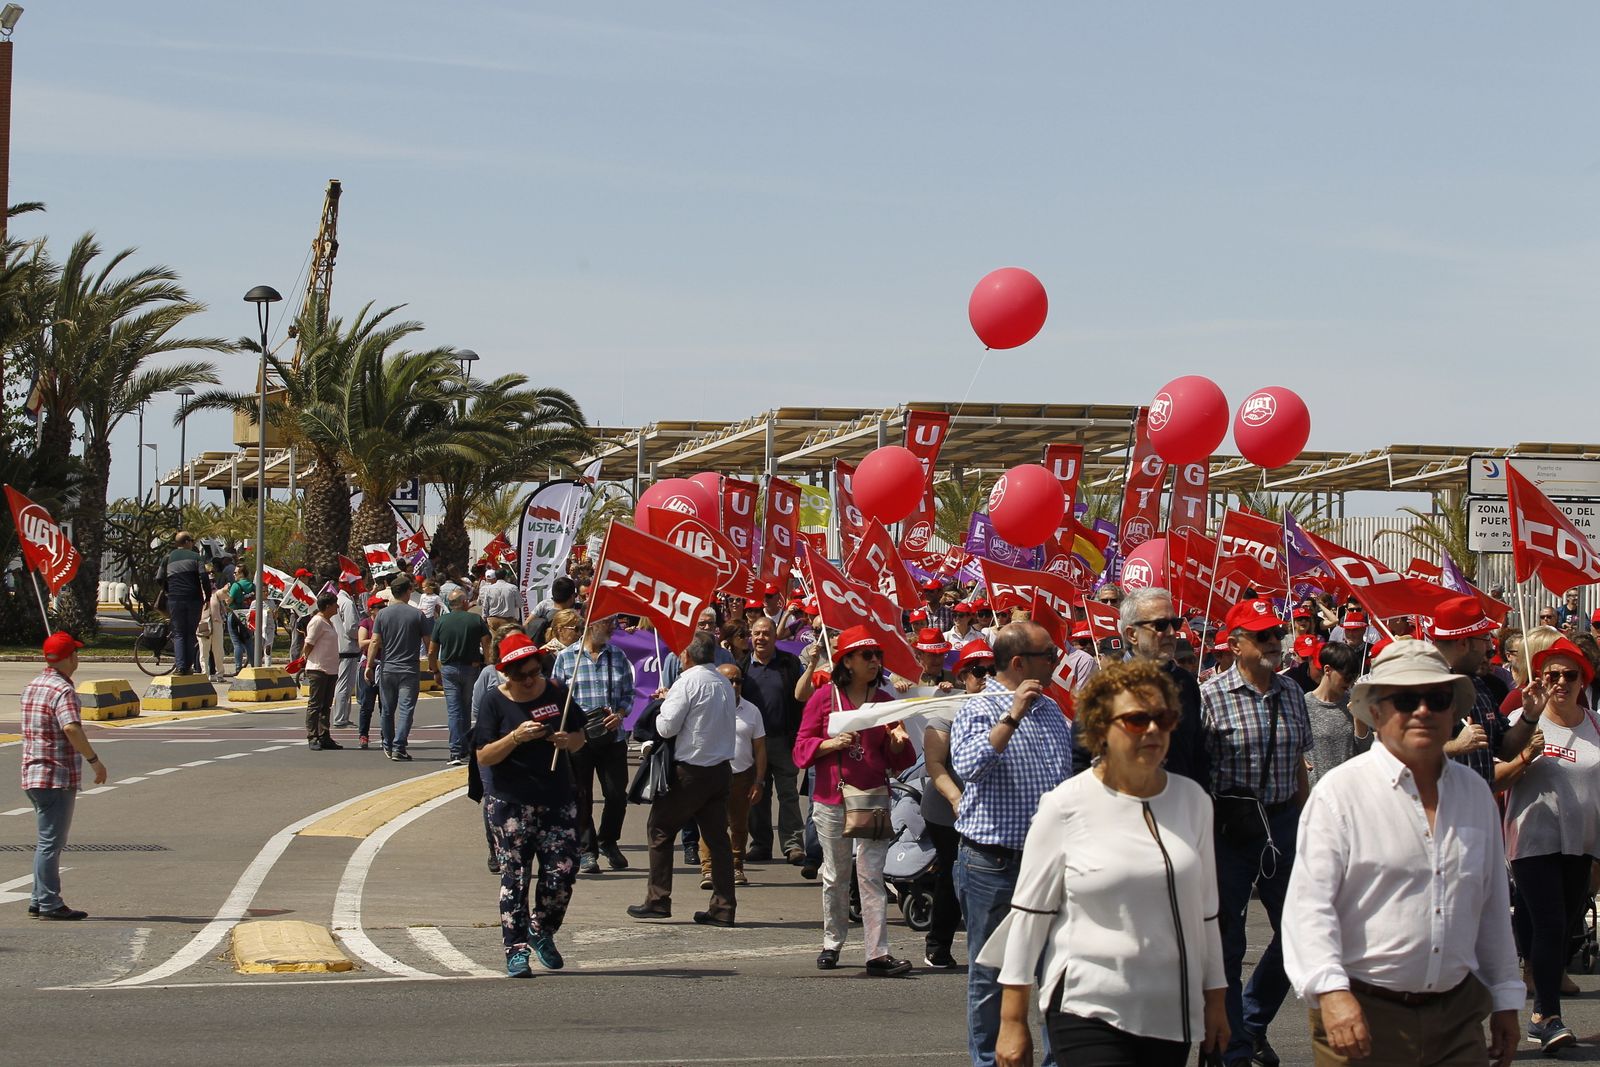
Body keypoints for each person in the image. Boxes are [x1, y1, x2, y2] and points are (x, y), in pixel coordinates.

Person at [1283, 641, 1522, 1066]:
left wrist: (1505, 997)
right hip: (1362, 1016)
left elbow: (1490, 907)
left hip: (1458, 1016)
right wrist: (1331, 992)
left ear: (1453, 711)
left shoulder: (1474, 796)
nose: (1423, 711)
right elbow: (1309, 909)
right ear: (1375, 711)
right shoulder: (1340, 794)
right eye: (1406, 699)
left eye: (1438, 698)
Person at [988, 660, 1227, 1067]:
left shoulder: (1194, 801)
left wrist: (1216, 1000)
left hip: (1170, 1013)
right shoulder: (1064, 805)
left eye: (1163, 718)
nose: (1153, 730)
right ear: (1101, 729)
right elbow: (1030, 915)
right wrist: (1012, 1020)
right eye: (1136, 720)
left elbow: (1206, 914)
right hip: (1087, 1005)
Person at [951, 622, 1077, 1067]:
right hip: (993, 864)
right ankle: (990, 1061)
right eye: (1049, 654)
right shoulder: (979, 707)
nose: (1058, 659)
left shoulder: (1052, 709)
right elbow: (969, 767)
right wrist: (1013, 715)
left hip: (1049, 865)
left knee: (1057, 971)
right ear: (1020, 663)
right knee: (990, 976)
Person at [1201, 598, 1313, 1067]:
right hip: (1230, 829)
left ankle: (1251, 1018)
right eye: (1262, 635)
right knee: (1228, 942)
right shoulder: (1209, 696)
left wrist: (1308, 824)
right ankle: (1231, 1049)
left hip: (1284, 822)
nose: (1273, 642)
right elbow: (1198, 774)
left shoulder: (1291, 692)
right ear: (1235, 644)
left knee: (1302, 932)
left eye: (1276, 633)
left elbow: (1301, 765)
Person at [1494, 635, 1599, 1053]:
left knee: (1559, 926)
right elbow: (1493, 777)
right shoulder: (1523, 719)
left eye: (1569, 675)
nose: (1560, 682)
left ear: (1582, 680)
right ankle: (1545, 1016)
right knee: (1552, 922)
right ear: (1539, 679)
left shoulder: (1595, 726)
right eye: (1551, 674)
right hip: (1533, 837)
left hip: (1583, 841)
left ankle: (1538, 990)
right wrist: (1524, 758)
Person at [793, 625, 917, 975]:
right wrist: (829, 744)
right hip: (832, 798)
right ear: (846, 661)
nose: (875, 661)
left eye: (878, 655)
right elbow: (800, 749)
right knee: (835, 874)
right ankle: (832, 942)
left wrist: (897, 742)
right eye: (867, 655)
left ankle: (877, 953)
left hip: (874, 798)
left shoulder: (886, 702)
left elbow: (902, 759)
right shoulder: (824, 698)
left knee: (872, 875)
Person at [473, 632, 586, 977]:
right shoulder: (495, 701)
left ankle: (542, 930)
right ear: (506, 673)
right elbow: (483, 755)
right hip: (510, 802)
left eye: (534, 672)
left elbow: (581, 738)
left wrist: (568, 741)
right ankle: (515, 949)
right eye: (521, 675)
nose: (529, 680)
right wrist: (515, 737)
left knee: (562, 872)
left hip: (556, 798)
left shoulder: (556, 692)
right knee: (516, 877)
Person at [628, 633, 740, 927]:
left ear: (686, 656)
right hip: (719, 770)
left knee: (660, 830)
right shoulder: (723, 683)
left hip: (692, 770)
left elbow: (666, 727)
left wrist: (663, 705)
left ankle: (658, 899)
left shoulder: (687, 682)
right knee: (717, 840)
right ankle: (723, 907)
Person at [1077, 586, 1208, 788]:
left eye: (1175, 623)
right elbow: (1081, 760)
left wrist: (1200, 804)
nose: (1172, 632)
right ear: (1132, 635)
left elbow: (1196, 754)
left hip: (1178, 808)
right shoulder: (1105, 687)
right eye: (1161, 625)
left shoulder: (1186, 682)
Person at [20, 632, 106, 920]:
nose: (77, 658)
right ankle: (49, 903)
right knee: (51, 843)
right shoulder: (63, 691)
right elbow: (71, 728)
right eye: (76, 654)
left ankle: (37, 898)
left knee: (46, 839)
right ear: (69, 658)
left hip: (33, 772)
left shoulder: (33, 686)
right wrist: (94, 761)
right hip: (55, 775)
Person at [922, 638, 995, 969]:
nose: (986, 677)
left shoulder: (1006, 708)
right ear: (964, 675)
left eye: (993, 670)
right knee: (953, 875)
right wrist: (956, 797)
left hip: (991, 809)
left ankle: (992, 947)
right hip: (947, 810)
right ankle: (938, 943)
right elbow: (935, 764)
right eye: (979, 671)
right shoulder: (945, 710)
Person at [553, 615, 635, 874]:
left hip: (612, 737)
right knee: (581, 796)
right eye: (608, 622)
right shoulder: (567, 658)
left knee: (616, 795)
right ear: (592, 624)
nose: (613, 628)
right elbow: (556, 698)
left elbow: (629, 693)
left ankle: (609, 841)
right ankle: (587, 851)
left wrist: (620, 714)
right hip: (580, 738)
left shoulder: (618, 656)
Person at [741, 616, 806, 864]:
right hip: (752, 743)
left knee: (788, 793)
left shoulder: (790, 664)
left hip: (783, 740)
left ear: (775, 636)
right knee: (757, 794)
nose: (761, 638)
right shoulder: (743, 666)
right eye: (757, 633)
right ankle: (760, 845)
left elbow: (802, 695)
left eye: (766, 633)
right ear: (751, 636)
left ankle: (792, 846)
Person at [1424, 594, 1507, 789]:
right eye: (1484, 638)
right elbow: (1403, 752)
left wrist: (1530, 716)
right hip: (1440, 813)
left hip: (1480, 810)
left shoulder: (1481, 686)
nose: (1489, 647)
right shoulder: (1423, 688)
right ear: (1463, 643)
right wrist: (1457, 746)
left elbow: (1504, 749)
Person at [698, 662, 765, 889]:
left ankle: (737, 866)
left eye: (738, 681)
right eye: (729, 681)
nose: (734, 685)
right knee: (711, 824)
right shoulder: (706, 707)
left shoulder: (752, 711)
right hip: (712, 774)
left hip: (742, 777)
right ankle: (708, 870)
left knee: (739, 825)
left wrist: (758, 780)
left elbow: (760, 749)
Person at [367, 575, 429, 761]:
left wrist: (369, 665)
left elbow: (375, 641)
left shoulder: (382, 614)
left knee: (387, 709)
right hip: (409, 668)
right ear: (408, 591)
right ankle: (399, 746)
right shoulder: (417, 614)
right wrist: (433, 664)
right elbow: (428, 642)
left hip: (388, 668)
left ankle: (388, 743)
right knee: (406, 709)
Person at [428, 588, 491, 766]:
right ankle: (463, 748)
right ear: (464, 602)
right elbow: (487, 643)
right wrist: (487, 664)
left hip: (448, 669)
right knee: (465, 707)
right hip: (471, 668)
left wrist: (434, 670)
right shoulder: (475, 620)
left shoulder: (441, 621)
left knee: (455, 710)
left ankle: (456, 750)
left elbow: (432, 650)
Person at [1303, 641, 1367, 786]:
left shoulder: (1353, 702)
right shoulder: (1303, 704)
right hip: (1316, 794)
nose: (1350, 683)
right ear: (1327, 670)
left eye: (1354, 678)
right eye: (1347, 677)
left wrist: (1359, 719)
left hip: (1350, 791)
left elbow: (1366, 751)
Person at [156, 530, 212, 676]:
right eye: (192, 540)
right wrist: (207, 596)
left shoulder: (167, 557)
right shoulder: (196, 557)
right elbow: (204, 577)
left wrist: (169, 590)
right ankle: (188, 666)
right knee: (190, 633)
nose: (193, 543)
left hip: (175, 599)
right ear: (187, 542)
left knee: (179, 633)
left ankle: (181, 667)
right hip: (194, 599)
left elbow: (159, 578)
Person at [301, 592, 344, 751]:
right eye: (335, 604)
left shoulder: (328, 622)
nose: (337, 607)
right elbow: (309, 643)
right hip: (318, 669)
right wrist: (305, 658)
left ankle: (324, 735)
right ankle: (312, 736)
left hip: (330, 669)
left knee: (326, 705)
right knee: (315, 704)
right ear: (327, 606)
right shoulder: (317, 621)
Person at [330, 576, 362, 728]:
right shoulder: (347, 603)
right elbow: (351, 628)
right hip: (348, 647)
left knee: (343, 684)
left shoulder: (338, 600)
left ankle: (342, 717)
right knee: (345, 685)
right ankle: (340, 718)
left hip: (340, 646)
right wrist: (362, 636)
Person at [356, 596, 384, 749]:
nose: (382, 609)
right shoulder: (366, 623)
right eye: (379, 607)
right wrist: (376, 640)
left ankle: (385, 735)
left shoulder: (386, 622)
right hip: (369, 667)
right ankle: (363, 735)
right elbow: (361, 643)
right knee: (367, 704)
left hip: (384, 666)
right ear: (371, 609)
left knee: (385, 705)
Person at [226, 566, 256, 672]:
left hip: (235, 614)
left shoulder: (236, 585)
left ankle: (238, 667)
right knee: (248, 641)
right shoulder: (253, 586)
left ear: (242, 574)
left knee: (236, 642)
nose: (234, 574)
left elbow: (229, 601)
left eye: (235, 572)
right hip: (248, 615)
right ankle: (254, 665)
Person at [201, 582, 230, 683]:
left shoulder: (215, 593)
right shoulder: (198, 592)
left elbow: (222, 594)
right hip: (202, 623)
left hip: (216, 623)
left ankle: (220, 674)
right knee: (204, 650)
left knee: (218, 650)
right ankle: (205, 674)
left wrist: (225, 589)